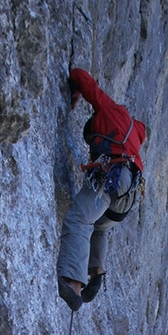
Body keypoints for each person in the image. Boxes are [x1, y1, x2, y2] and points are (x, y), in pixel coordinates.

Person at [57, 67, 146, 311]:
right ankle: (96, 271)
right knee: (99, 225)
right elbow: (141, 131)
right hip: (127, 196)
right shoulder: (134, 133)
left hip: (112, 177)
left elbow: (79, 76)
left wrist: (75, 93)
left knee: (79, 219)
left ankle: (74, 284)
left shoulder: (108, 109)